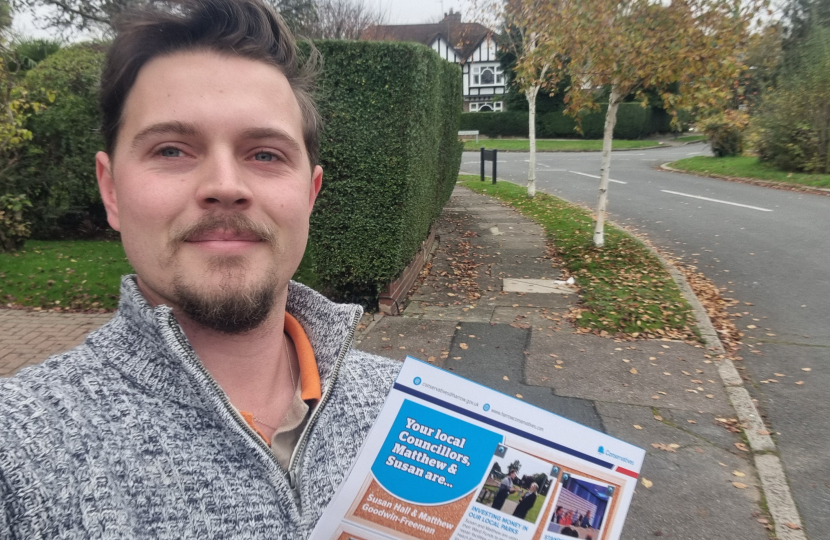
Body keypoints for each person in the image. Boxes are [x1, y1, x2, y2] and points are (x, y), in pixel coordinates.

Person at [0, 0, 401, 537]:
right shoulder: (20, 449)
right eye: (171, 150)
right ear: (111, 190)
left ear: (310, 194)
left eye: (264, 154)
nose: (225, 186)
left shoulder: (410, 414)